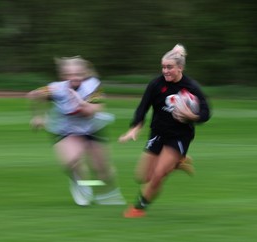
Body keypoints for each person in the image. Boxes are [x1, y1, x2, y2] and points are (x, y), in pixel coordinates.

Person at [119, 44, 211, 218]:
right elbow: (142, 108)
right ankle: (178, 162)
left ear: (180, 68)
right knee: (143, 177)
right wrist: (135, 127)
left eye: (169, 67)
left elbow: (206, 113)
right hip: (158, 133)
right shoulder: (156, 84)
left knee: (157, 176)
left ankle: (138, 208)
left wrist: (191, 115)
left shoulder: (191, 87)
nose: (165, 71)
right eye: (163, 67)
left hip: (179, 136)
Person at [27, 56, 125, 206]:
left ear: (84, 74)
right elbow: (34, 95)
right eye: (69, 75)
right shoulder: (57, 88)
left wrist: (81, 103)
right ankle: (80, 183)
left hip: (92, 128)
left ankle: (108, 193)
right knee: (71, 162)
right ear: (63, 76)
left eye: (78, 74)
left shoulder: (94, 86)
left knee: (101, 168)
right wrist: (38, 116)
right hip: (66, 130)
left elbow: (94, 110)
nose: (74, 78)